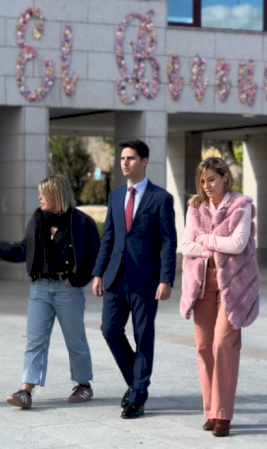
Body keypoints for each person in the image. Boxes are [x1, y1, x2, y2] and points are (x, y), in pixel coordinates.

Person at [0, 174, 101, 409]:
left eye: (44, 193)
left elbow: (96, 256)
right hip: (40, 288)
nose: (39, 197)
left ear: (57, 195)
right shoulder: (38, 219)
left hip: (68, 291)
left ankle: (83, 385)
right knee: (35, 341)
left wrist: (78, 279)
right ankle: (26, 391)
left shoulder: (82, 222)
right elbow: (24, 248)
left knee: (76, 340)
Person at [91, 139, 177, 419]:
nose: (124, 162)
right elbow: (109, 236)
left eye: (130, 158)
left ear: (144, 161)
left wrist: (166, 279)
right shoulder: (116, 196)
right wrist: (98, 272)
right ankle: (135, 381)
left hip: (144, 280)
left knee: (143, 336)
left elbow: (167, 241)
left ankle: (138, 397)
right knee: (109, 331)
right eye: (122, 158)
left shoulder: (161, 198)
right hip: (115, 277)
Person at [179, 157, 260, 437]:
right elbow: (185, 245)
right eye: (203, 181)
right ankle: (211, 410)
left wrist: (205, 240)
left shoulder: (241, 205)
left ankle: (223, 414)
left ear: (225, 177)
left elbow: (237, 244)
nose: (207, 185)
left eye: (211, 179)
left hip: (233, 285)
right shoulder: (196, 207)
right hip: (201, 282)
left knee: (224, 344)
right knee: (203, 347)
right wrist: (209, 248)